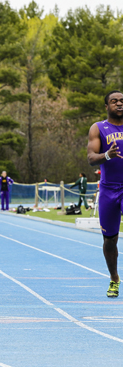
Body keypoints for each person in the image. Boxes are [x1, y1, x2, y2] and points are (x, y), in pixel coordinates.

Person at [87, 90, 123, 298]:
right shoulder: (98, 128)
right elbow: (92, 158)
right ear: (107, 106)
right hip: (109, 190)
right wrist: (107, 156)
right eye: (114, 101)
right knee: (110, 240)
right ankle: (114, 278)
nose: (119, 104)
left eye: (122, 101)